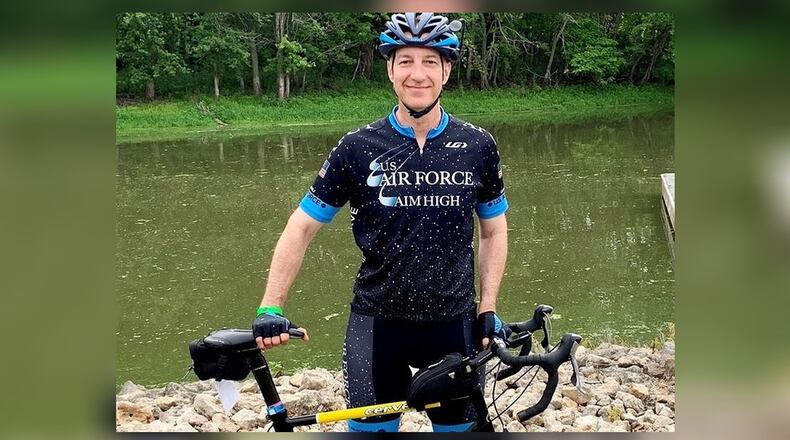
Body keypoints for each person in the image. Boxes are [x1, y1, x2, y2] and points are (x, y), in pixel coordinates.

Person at [252, 12, 509, 432]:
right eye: (405, 60)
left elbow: (494, 230)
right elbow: (300, 227)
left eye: (430, 61)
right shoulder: (356, 147)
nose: (417, 74)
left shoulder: (478, 145)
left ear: (446, 70)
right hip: (376, 326)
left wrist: (488, 307)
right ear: (390, 69)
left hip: (455, 326)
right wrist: (270, 305)